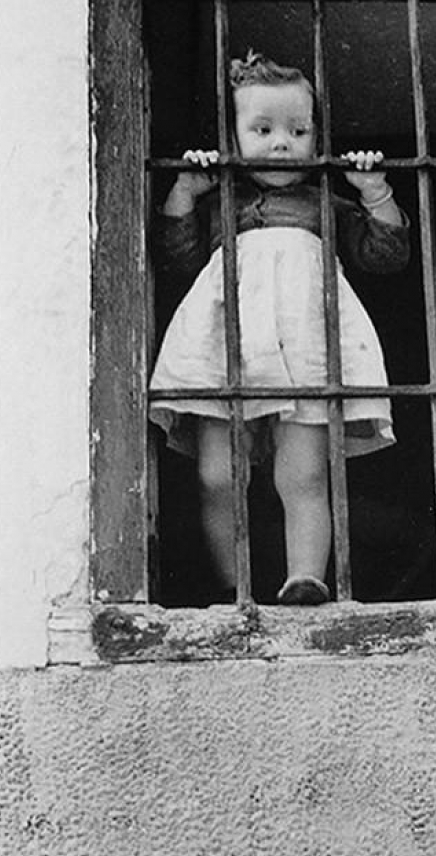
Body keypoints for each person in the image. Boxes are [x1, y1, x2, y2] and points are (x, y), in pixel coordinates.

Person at [149, 53, 409, 605]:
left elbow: (386, 256)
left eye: (298, 131)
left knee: (303, 474)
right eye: (262, 130)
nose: (282, 144)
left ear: (318, 139)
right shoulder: (222, 204)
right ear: (232, 138)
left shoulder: (324, 204)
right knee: (218, 476)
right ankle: (231, 586)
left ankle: (305, 578)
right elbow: (175, 260)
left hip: (305, 346)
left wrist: (374, 191)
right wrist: (185, 192)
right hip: (226, 348)